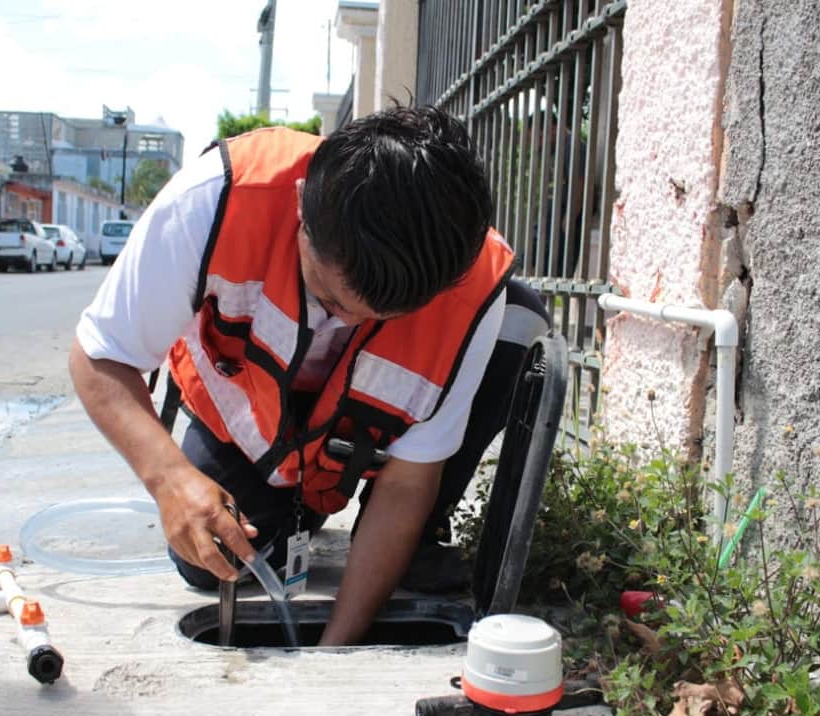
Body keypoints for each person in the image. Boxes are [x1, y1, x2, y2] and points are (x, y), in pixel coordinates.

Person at [70, 105, 549, 646]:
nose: (343, 323)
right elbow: (99, 355)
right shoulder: (218, 198)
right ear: (300, 203)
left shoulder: (467, 287)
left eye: (378, 320)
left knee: (520, 316)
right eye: (328, 297)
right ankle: (294, 510)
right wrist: (171, 481)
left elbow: (408, 484)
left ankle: (404, 545)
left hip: (359, 443)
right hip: (248, 431)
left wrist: (335, 648)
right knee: (210, 561)